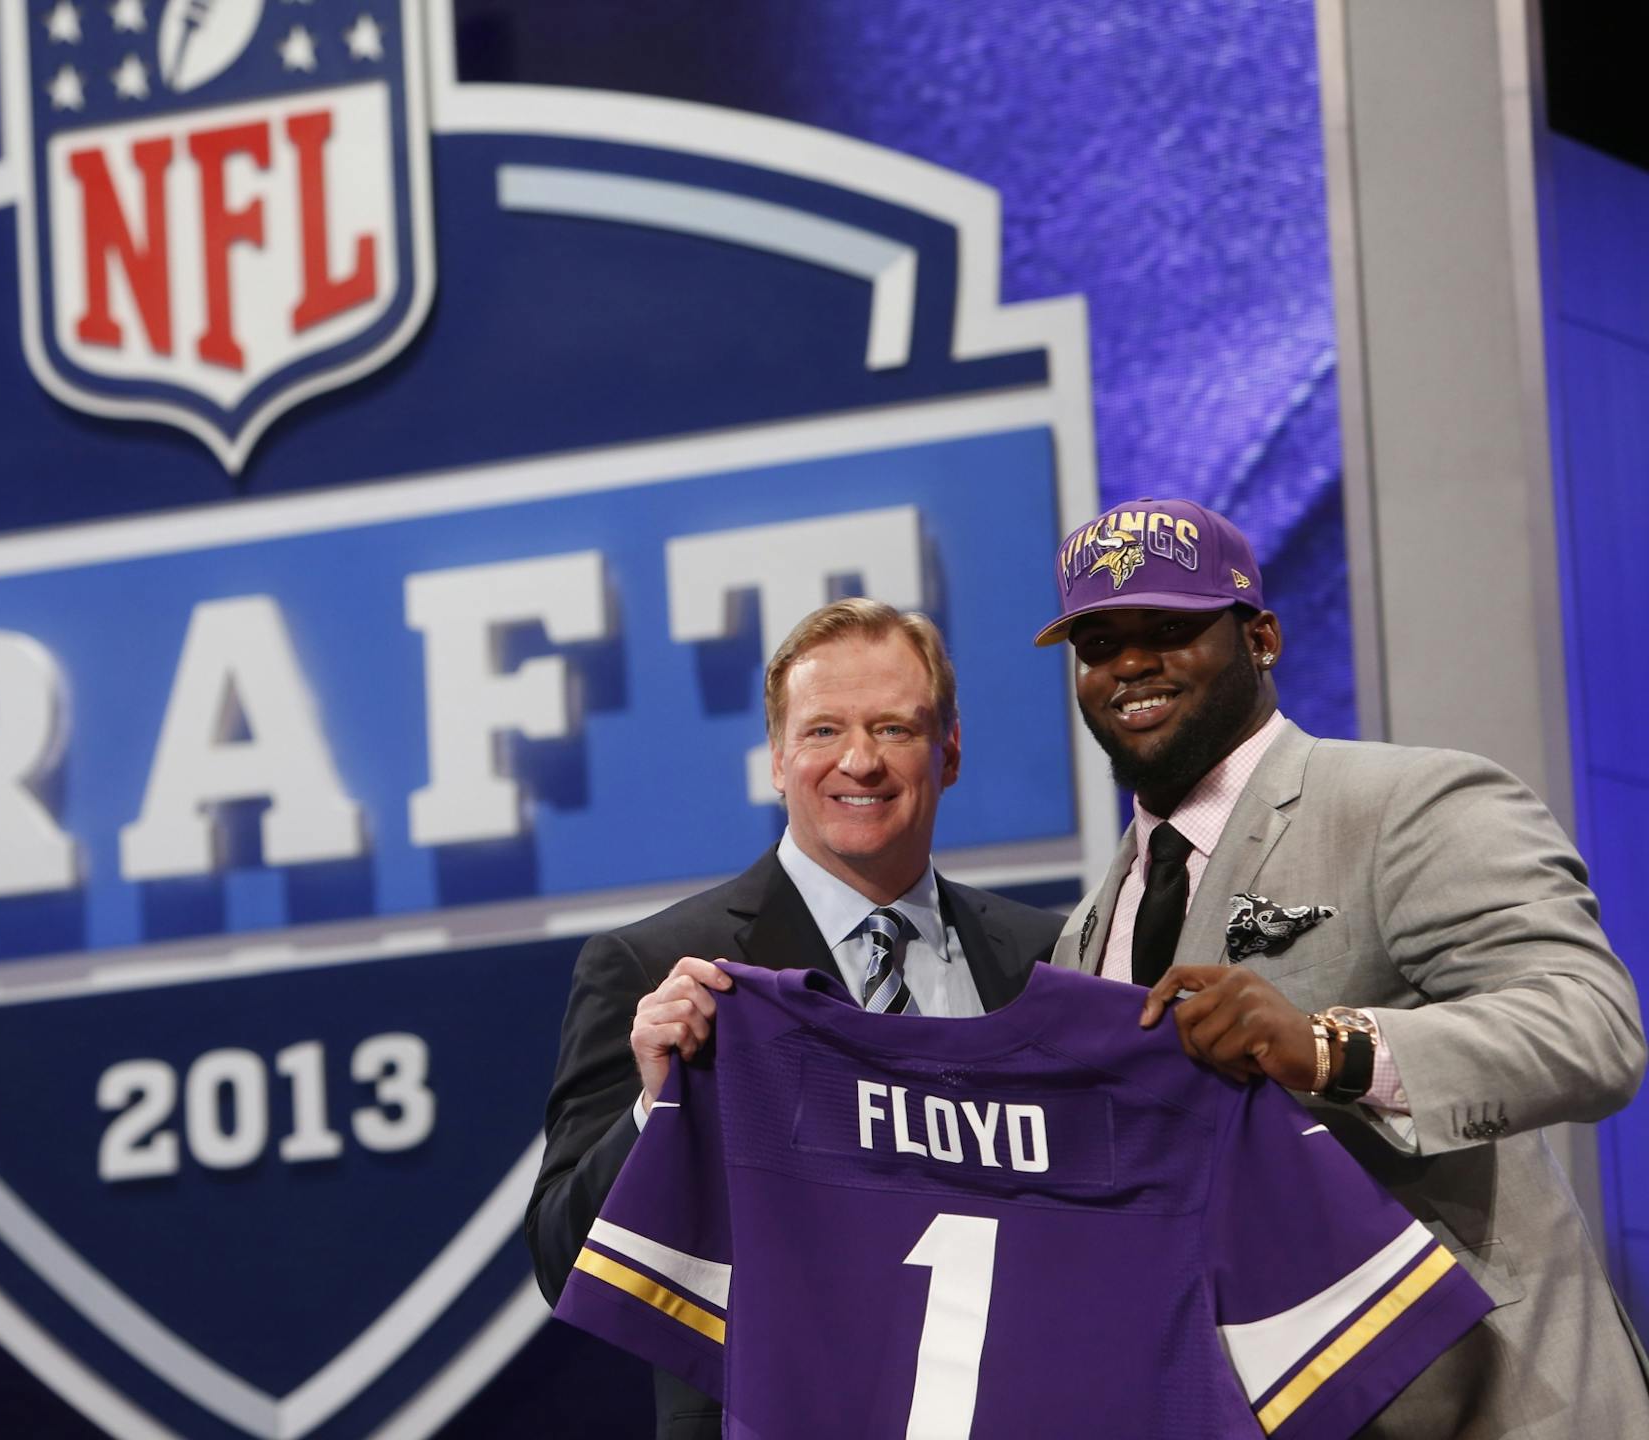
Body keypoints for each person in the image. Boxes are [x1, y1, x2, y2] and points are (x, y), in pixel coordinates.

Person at [1038, 497, 1649, 1438]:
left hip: (1491, 1403)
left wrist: (1331, 1048)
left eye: (1170, 627)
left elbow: (1590, 1030)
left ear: (1264, 637)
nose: (1130, 665)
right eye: (1100, 643)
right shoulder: (1087, 929)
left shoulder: (1410, 802)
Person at [524, 598, 1062, 1440]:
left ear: (948, 751)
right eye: (822, 732)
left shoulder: (1050, 959)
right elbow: (565, 1266)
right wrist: (654, 1112)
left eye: (894, 728)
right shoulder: (657, 967)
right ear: (776, 758)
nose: (860, 760)